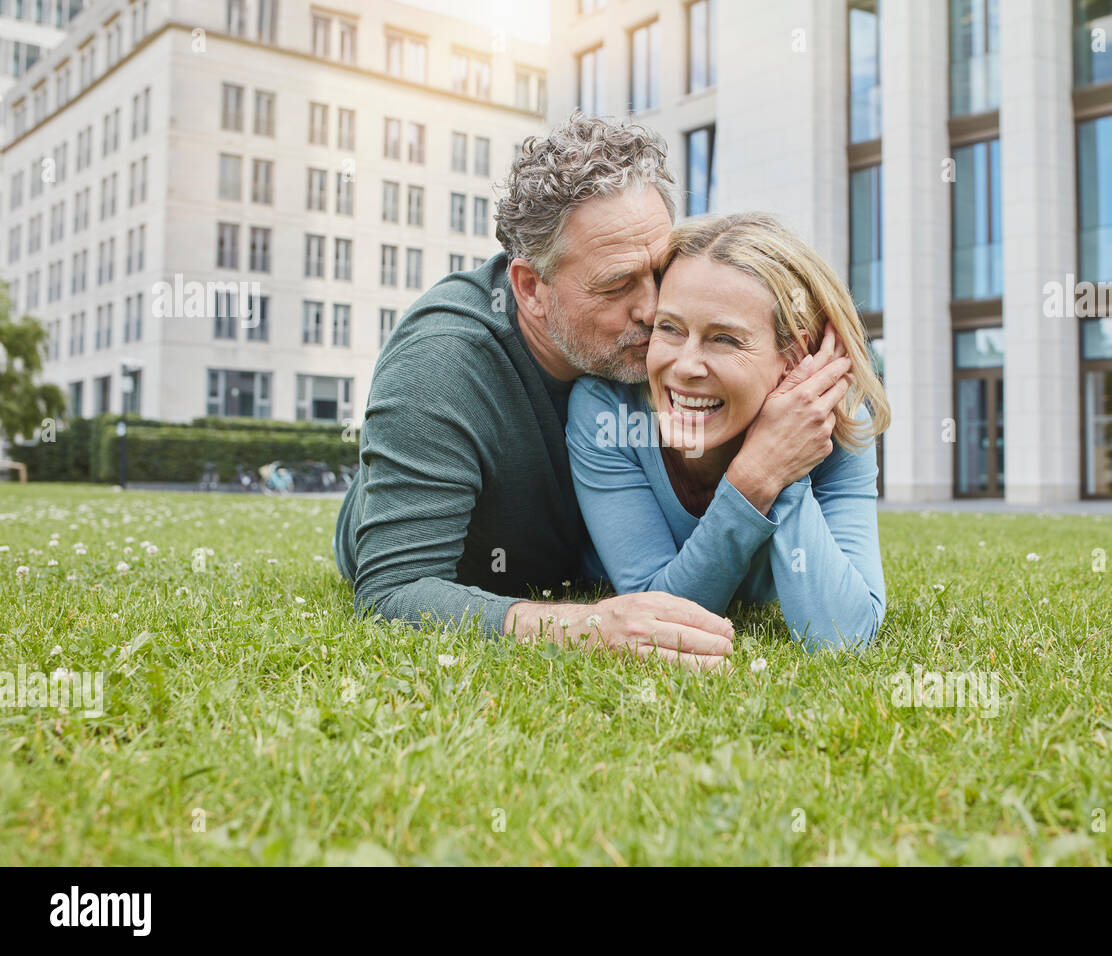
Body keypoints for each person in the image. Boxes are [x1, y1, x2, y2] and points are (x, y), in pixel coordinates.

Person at [333, 114, 850, 671]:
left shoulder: (655, 352)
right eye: (616, 284)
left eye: (659, 270)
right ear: (531, 288)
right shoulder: (441, 364)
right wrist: (581, 626)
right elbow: (394, 591)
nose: (654, 311)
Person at [566, 213, 890, 650]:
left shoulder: (839, 424)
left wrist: (786, 464)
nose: (684, 366)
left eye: (725, 339)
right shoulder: (609, 411)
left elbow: (843, 637)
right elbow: (658, 616)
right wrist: (755, 478)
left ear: (796, 357)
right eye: (669, 328)